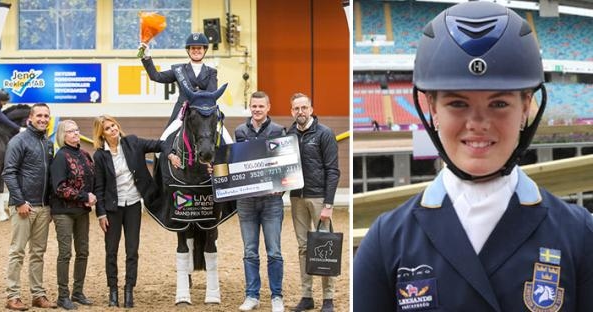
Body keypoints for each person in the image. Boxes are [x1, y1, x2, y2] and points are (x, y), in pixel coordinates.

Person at [353, 2, 593, 311]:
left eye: (499, 104)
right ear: (432, 108)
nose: (478, 123)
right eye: (457, 103)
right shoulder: (386, 242)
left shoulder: (581, 236)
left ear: (525, 107)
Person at [92, 115, 170, 308]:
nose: (113, 129)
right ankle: (113, 291)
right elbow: (99, 187)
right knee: (111, 251)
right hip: (112, 209)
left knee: (132, 250)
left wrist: (171, 153)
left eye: (114, 125)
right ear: (101, 133)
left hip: (134, 204)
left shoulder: (133, 142)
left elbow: (160, 144)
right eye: (108, 128)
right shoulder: (100, 156)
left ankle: (129, 290)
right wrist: (100, 213)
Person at [287, 93, 340, 312]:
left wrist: (328, 204)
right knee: (303, 248)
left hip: (318, 197)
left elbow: (333, 170)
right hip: (296, 197)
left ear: (311, 109)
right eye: (296, 108)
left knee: (325, 246)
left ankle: (328, 299)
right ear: (292, 111)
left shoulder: (325, 133)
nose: (300, 111)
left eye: (304, 107)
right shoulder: (288, 135)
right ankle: (307, 296)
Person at [234, 91, 286, 312]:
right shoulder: (239, 131)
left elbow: (284, 164)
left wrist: (280, 189)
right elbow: (234, 162)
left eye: (260, 106)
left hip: (272, 202)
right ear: (250, 107)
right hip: (246, 202)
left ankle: (276, 296)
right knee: (250, 251)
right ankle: (252, 295)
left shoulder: (278, 131)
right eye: (253, 106)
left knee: (274, 251)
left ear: (268, 107)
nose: (256, 110)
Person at [2, 103, 57, 311]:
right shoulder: (18, 141)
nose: (43, 119)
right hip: (23, 207)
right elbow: (9, 173)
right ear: (30, 118)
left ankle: (38, 294)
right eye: (40, 115)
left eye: (46, 116)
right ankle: (13, 296)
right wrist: (20, 201)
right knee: (17, 251)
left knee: (38, 253)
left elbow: (49, 176)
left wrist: (50, 204)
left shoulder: (48, 143)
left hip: (43, 207)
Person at [50, 120, 96, 310]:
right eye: (70, 131)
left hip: (81, 211)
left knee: (83, 252)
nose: (76, 133)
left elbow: (91, 180)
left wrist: (90, 197)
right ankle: (63, 296)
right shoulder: (60, 157)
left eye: (77, 130)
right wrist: (85, 196)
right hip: (63, 212)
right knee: (65, 253)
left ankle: (78, 292)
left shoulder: (85, 154)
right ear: (63, 135)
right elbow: (60, 187)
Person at [140, 32, 217, 138]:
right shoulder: (179, 70)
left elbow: (211, 94)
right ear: (188, 50)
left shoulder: (211, 72)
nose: (196, 50)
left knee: (227, 139)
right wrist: (146, 56)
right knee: (164, 139)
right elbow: (156, 76)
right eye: (193, 48)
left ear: (204, 50)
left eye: (199, 48)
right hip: (183, 114)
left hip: (205, 114)